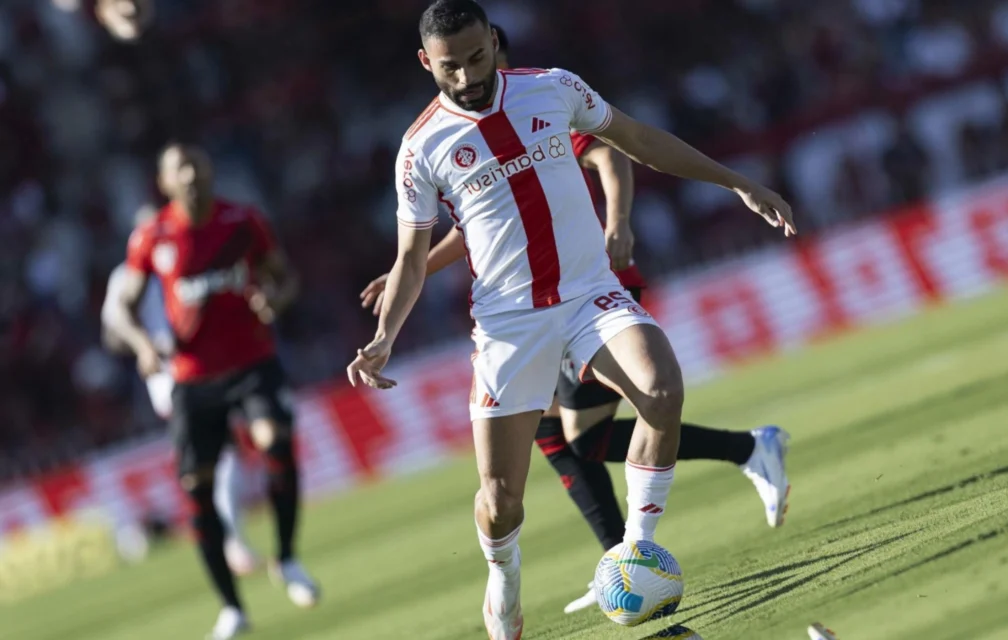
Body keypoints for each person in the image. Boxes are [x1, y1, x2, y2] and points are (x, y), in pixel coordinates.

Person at [346, 2, 797, 638]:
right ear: (427, 63)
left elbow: (636, 142)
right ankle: (502, 580)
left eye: (477, 58)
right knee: (502, 501)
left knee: (662, 391)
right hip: (509, 326)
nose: (468, 75)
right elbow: (412, 259)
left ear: (493, 42)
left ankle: (632, 552)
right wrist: (383, 338)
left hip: (589, 295)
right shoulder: (421, 148)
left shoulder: (552, 88)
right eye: (450, 67)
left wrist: (735, 182)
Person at [104, 143, 317, 640]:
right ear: (164, 183)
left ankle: (286, 558)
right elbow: (120, 309)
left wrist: (275, 299)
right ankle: (231, 607)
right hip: (192, 378)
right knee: (196, 488)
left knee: (276, 443)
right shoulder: (152, 236)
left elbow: (286, 279)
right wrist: (142, 345)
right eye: (181, 171)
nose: (192, 177)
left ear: (210, 172)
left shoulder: (242, 222)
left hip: (252, 363)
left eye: (198, 168)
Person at [102, 206, 264, 579]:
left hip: (210, 363)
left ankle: (228, 539)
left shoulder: (188, 257)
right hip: (172, 377)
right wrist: (147, 344)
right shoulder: (125, 278)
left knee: (222, 454)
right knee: (221, 454)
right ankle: (231, 542)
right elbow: (112, 334)